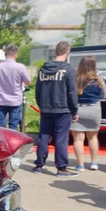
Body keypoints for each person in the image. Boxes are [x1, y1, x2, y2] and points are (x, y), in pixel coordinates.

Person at [33, 41, 79, 177]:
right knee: (61, 138)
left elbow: (38, 90)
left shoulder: (43, 69)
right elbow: (72, 92)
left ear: (55, 52)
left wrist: (41, 106)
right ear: (67, 52)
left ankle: (39, 165)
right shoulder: (68, 70)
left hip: (46, 108)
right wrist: (74, 110)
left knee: (44, 137)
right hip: (63, 109)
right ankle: (61, 168)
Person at [70, 56, 106, 171]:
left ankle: (80, 165)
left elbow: (71, 94)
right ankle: (94, 163)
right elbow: (103, 94)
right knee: (93, 137)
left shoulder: (75, 78)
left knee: (78, 139)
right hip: (94, 109)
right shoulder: (98, 79)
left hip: (78, 110)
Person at [0, 45, 31, 130]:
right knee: (13, 124)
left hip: (1, 99)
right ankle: (12, 142)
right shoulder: (20, 67)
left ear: (5, 54)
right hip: (15, 100)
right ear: (16, 55)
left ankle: (1, 142)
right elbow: (28, 82)